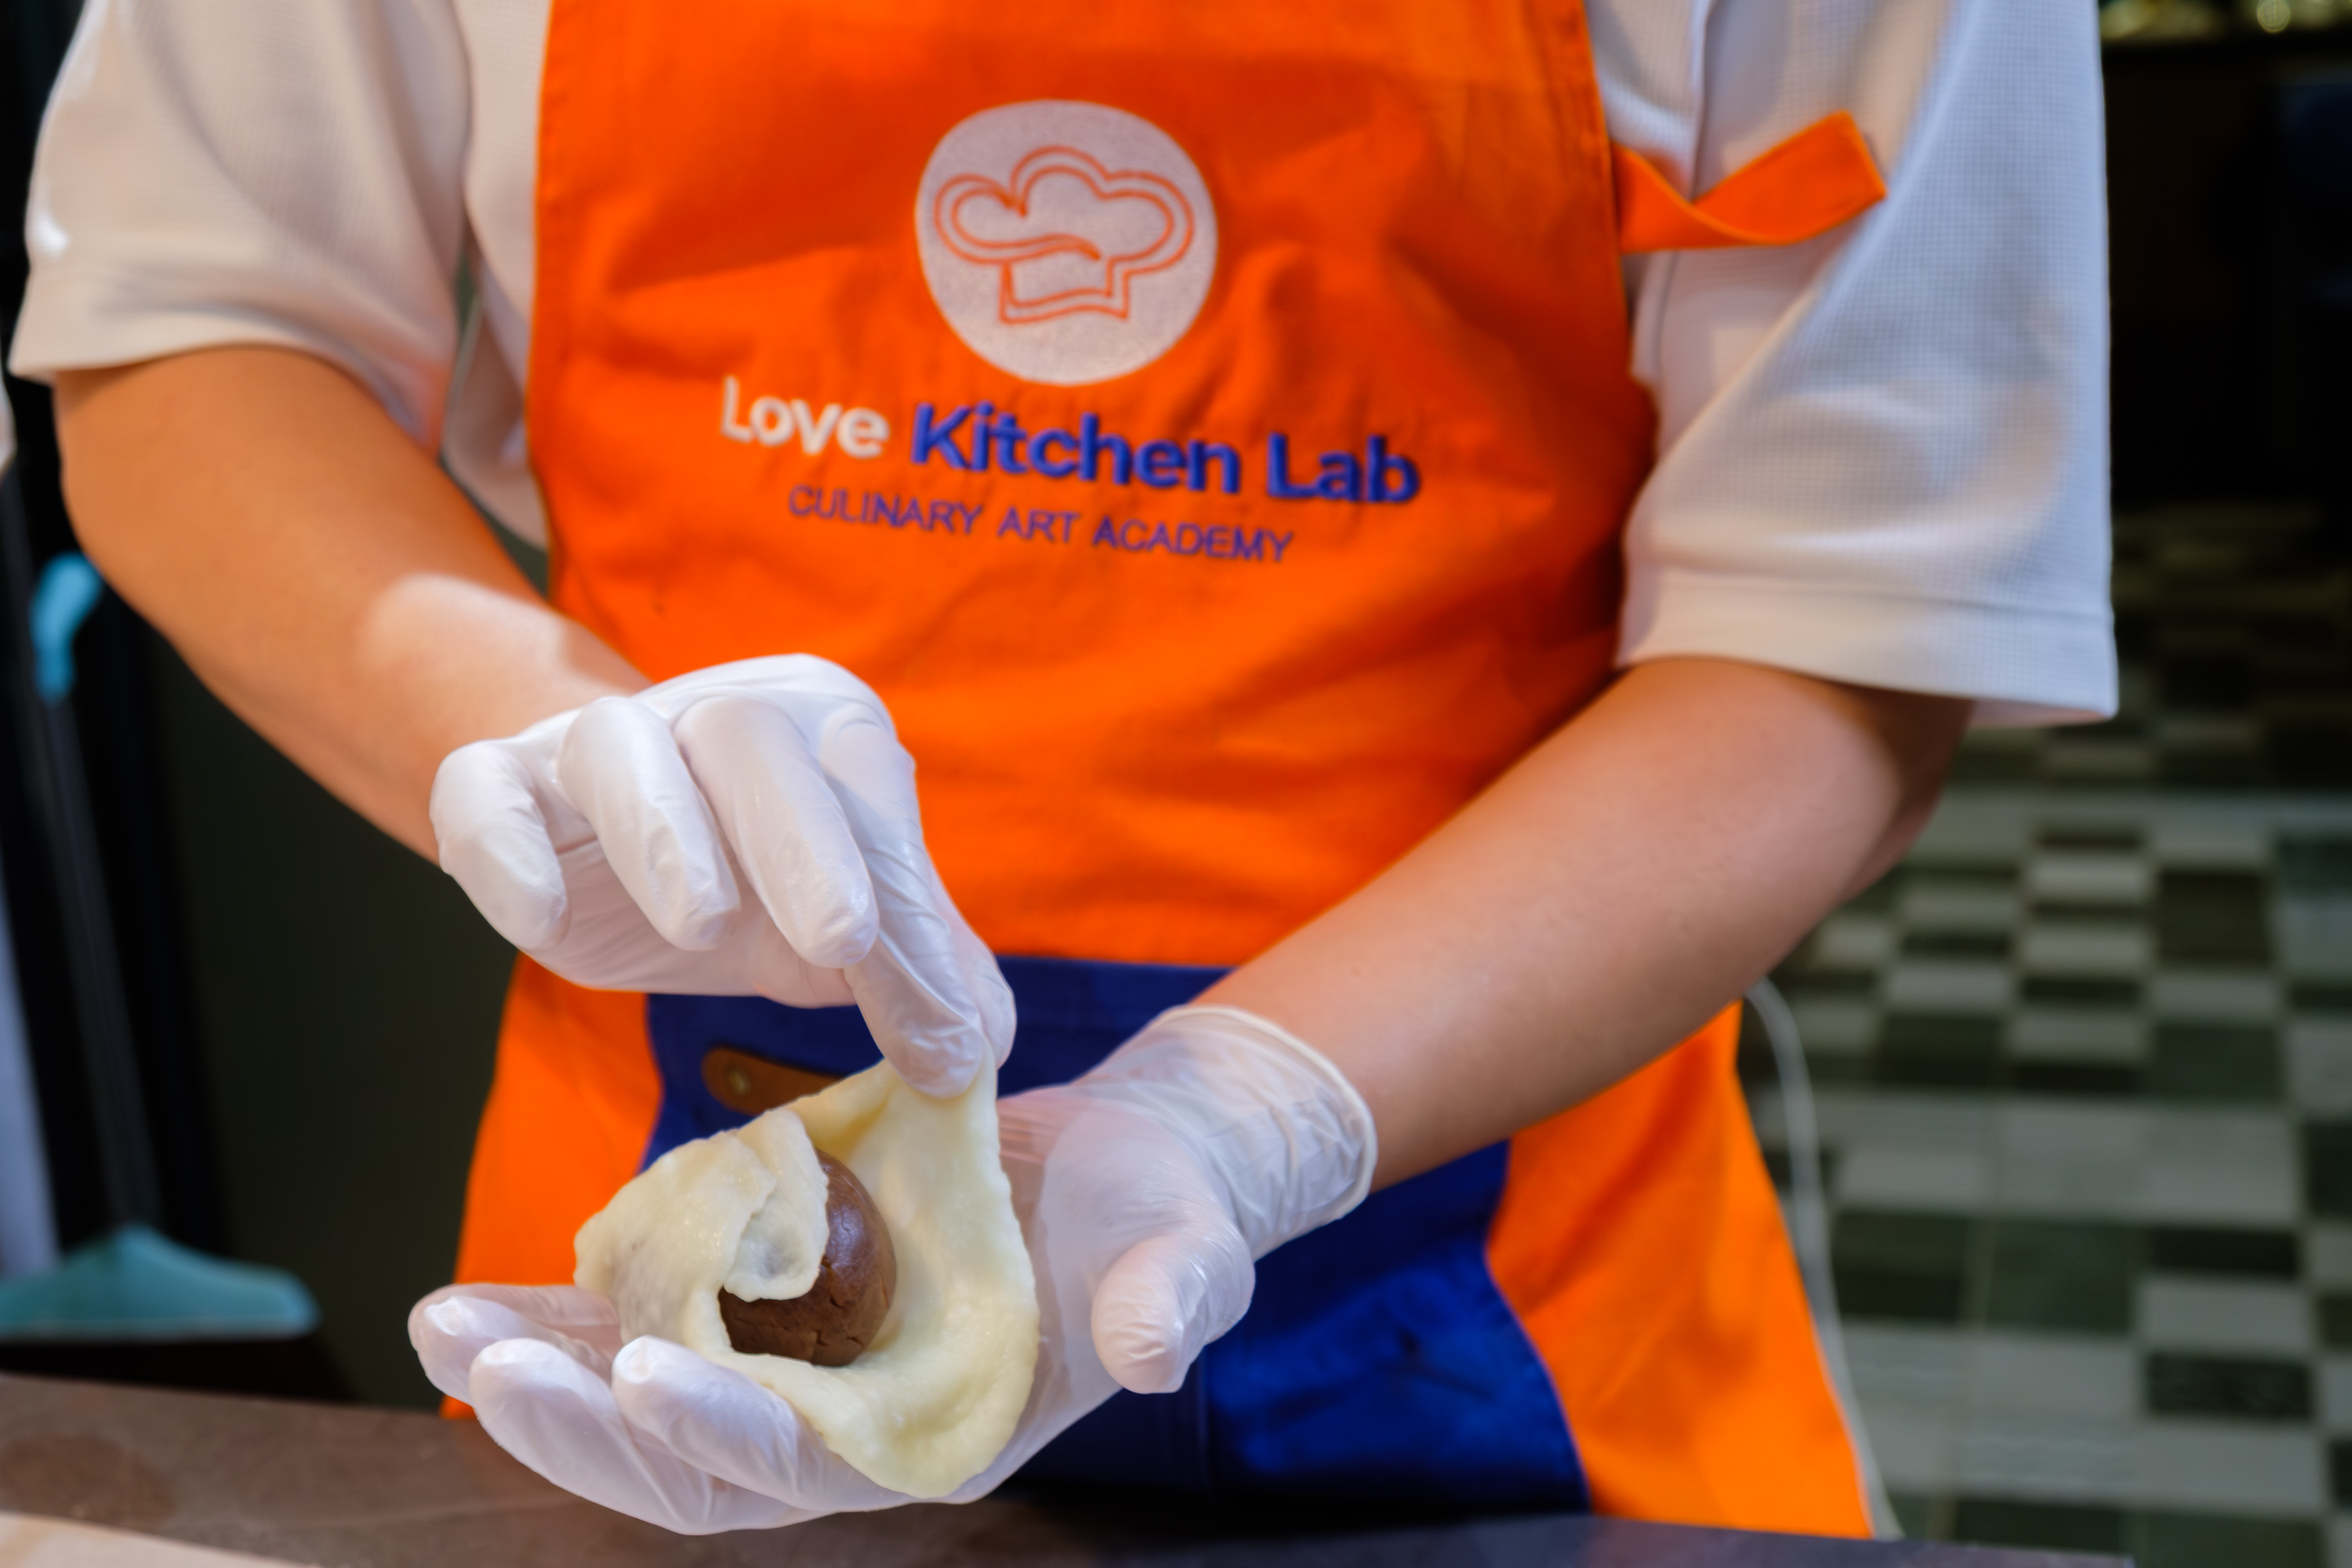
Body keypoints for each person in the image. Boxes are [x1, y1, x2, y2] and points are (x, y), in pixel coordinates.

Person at [10, 0, 2110, 1539]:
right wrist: (536, 734)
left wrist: (1251, 1109)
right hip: (679, 1272)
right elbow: (199, 321)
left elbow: (1849, 629)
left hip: (1514, 1262)